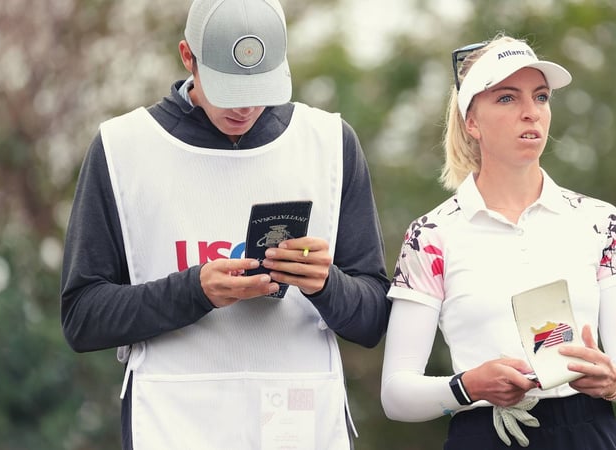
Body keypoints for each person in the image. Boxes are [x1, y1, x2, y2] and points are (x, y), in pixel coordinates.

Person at [60, 0, 391, 448]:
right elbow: (82, 318)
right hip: (173, 422)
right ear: (187, 56)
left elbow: (372, 319)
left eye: (260, 88)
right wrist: (196, 290)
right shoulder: (122, 148)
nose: (245, 108)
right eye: (227, 89)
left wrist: (325, 285)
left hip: (298, 418)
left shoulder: (330, 143)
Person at [380, 34, 616, 449]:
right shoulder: (431, 235)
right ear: (472, 121)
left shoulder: (600, 221)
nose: (531, 113)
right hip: (483, 433)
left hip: (590, 430)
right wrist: (467, 387)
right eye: (507, 98)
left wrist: (614, 381)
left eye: (540, 97)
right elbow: (396, 396)